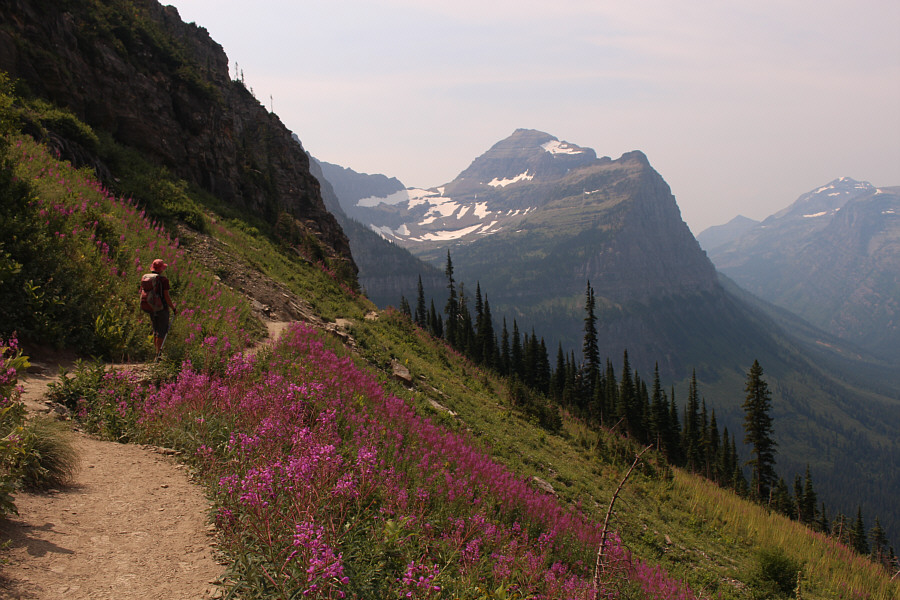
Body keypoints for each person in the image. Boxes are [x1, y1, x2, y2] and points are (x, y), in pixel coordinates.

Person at [148, 258, 177, 359]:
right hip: (161, 308)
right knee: (162, 331)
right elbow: (166, 296)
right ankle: (158, 354)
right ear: (161, 269)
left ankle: (156, 352)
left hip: (151, 307)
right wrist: (173, 308)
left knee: (155, 330)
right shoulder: (163, 280)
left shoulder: (148, 278)